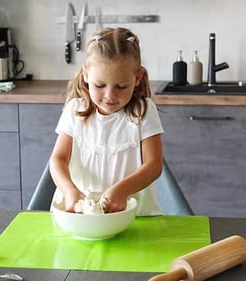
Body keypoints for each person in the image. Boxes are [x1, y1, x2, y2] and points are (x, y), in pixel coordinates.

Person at [49, 27, 164, 215]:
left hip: (136, 217)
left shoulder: (143, 111)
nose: (110, 95)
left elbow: (154, 165)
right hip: (80, 216)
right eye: (99, 85)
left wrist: (122, 191)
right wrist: (69, 191)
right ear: (86, 75)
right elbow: (58, 159)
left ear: (137, 77)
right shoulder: (74, 110)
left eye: (121, 86)